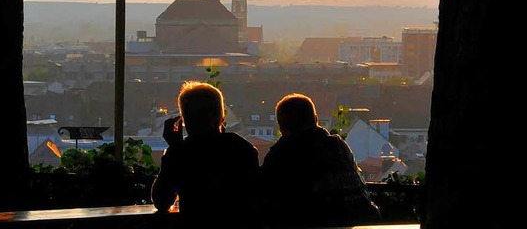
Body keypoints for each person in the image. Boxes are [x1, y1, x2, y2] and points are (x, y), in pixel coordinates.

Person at [259, 93, 381, 228]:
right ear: (316, 119)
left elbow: (265, 194)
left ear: (282, 127)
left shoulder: (285, 153)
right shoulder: (339, 146)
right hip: (361, 220)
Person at [151, 80, 260, 227]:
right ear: (221, 116)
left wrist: (174, 150)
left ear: (184, 120)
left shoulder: (182, 152)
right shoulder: (243, 149)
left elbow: (162, 201)